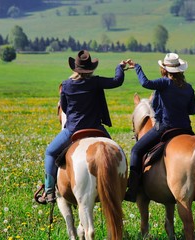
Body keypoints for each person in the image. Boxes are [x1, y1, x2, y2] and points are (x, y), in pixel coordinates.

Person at [35, 50, 127, 204]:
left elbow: (64, 107)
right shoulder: (96, 82)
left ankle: (49, 191)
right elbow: (117, 81)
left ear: (75, 68)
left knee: (50, 152)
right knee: (117, 153)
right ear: (91, 68)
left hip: (73, 130)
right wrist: (120, 67)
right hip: (96, 129)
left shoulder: (66, 85)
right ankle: (123, 184)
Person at [124, 53, 195, 202]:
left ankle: (132, 190)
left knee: (136, 150)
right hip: (186, 129)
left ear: (165, 69)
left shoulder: (164, 83)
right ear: (181, 70)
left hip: (165, 127)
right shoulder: (189, 88)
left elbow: (145, 83)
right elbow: (192, 110)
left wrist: (136, 67)